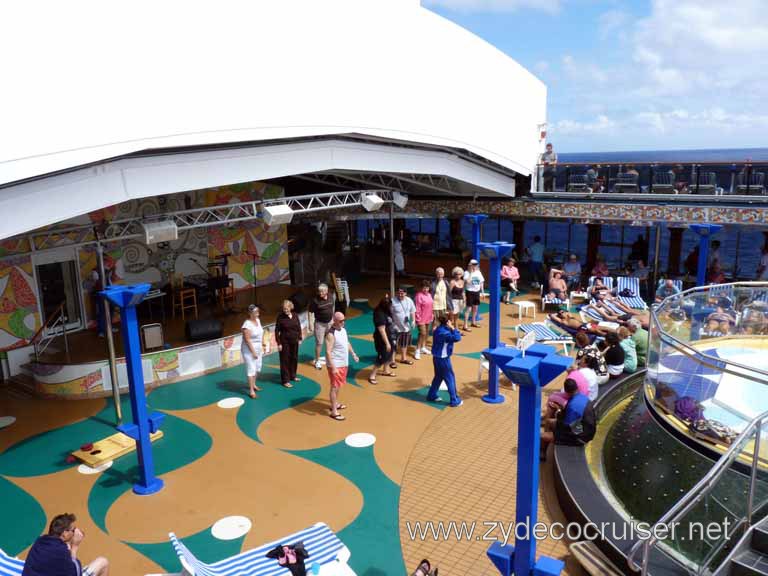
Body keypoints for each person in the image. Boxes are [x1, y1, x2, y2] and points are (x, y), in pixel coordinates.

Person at [22, 513, 109, 576]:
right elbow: (76, 573)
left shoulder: (40, 541)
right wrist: (75, 547)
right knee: (103, 562)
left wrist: (68, 545)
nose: (75, 532)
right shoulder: (61, 552)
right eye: (73, 530)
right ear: (64, 533)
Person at [540, 378, 596, 461]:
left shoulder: (573, 406)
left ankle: (542, 452)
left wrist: (558, 411)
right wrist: (560, 409)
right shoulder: (583, 397)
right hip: (585, 428)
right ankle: (543, 450)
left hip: (580, 437)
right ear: (577, 388)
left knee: (543, 436)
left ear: (566, 391)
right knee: (549, 421)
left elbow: (567, 426)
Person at [325, 312, 358, 421]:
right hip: (336, 364)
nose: (343, 322)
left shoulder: (343, 330)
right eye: (340, 321)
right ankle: (334, 411)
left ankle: (336, 404)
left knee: (338, 386)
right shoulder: (331, 334)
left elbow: (346, 343)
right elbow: (328, 352)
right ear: (334, 321)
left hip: (343, 363)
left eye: (344, 320)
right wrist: (333, 367)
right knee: (334, 387)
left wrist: (353, 354)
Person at [427, 316, 463, 407]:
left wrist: (450, 328)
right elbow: (457, 338)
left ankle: (431, 395)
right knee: (450, 378)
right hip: (443, 359)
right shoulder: (445, 333)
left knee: (438, 377)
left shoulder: (438, 330)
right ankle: (454, 400)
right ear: (447, 323)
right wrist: (453, 328)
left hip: (436, 358)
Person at [242, 304, 267, 399]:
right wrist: (253, 352)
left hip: (258, 348)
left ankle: (254, 384)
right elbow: (247, 340)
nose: (258, 314)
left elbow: (261, 333)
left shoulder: (258, 320)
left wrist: (263, 345)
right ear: (250, 313)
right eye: (255, 312)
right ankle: (251, 390)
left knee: (257, 367)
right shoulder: (246, 325)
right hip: (249, 350)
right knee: (251, 368)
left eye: (258, 312)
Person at [275, 299, 302, 388]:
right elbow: (277, 331)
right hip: (285, 342)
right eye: (284, 309)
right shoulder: (280, 317)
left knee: (294, 358)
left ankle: (293, 376)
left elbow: (298, 327)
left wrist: (300, 337)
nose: (285, 311)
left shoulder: (295, 315)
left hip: (294, 341)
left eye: (287, 309)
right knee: (285, 360)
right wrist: (279, 343)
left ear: (290, 307)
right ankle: (285, 380)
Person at [369, 296, 397, 384]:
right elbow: (382, 330)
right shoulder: (379, 314)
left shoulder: (387, 311)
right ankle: (372, 375)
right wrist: (387, 343)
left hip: (390, 336)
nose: (391, 307)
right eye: (389, 305)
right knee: (382, 356)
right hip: (382, 339)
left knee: (390, 354)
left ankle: (386, 370)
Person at [309, 283, 335, 370]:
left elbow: (332, 307)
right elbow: (309, 311)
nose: (320, 293)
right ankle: (317, 361)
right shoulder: (315, 301)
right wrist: (310, 323)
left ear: (327, 291)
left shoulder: (331, 296)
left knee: (330, 340)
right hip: (320, 324)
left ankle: (328, 357)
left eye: (322, 291)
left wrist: (333, 318)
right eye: (319, 291)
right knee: (319, 343)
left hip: (330, 322)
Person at [391, 286, 416, 365]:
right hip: (395, 327)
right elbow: (389, 312)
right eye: (399, 293)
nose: (400, 294)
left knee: (404, 344)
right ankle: (392, 361)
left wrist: (413, 320)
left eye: (402, 293)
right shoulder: (393, 301)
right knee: (393, 344)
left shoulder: (409, 300)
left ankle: (403, 358)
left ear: (405, 293)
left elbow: (412, 311)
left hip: (406, 327)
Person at [414, 280, 434, 360]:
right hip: (421, 318)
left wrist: (432, 315)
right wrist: (417, 318)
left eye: (427, 288)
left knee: (426, 334)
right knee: (422, 333)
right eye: (424, 288)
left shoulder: (429, 295)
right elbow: (417, 307)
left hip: (428, 317)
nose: (426, 289)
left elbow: (431, 305)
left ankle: (423, 347)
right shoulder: (419, 295)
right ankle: (417, 350)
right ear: (421, 288)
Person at [463, 259, 485, 329]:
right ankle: (465, 325)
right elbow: (468, 281)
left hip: (477, 292)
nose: (475, 266)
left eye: (476, 265)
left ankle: (473, 322)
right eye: (473, 265)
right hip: (470, 291)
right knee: (468, 309)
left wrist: (482, 292)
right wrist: (471, 272)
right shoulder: (466, 272)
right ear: (470, 265)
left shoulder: (478, 272)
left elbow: (481, 282)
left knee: (475, 308)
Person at [430, 267, 453, 331]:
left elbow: (448, 295)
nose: (440, 275)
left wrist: (449, 306)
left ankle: (440, 334)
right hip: (435, 306)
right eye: (438, 274)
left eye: (441, 274)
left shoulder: (446, 282)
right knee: (435, 322)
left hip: (443, 305)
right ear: (436, 274)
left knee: (443, 321)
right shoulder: (432, 283)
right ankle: (435, 335)